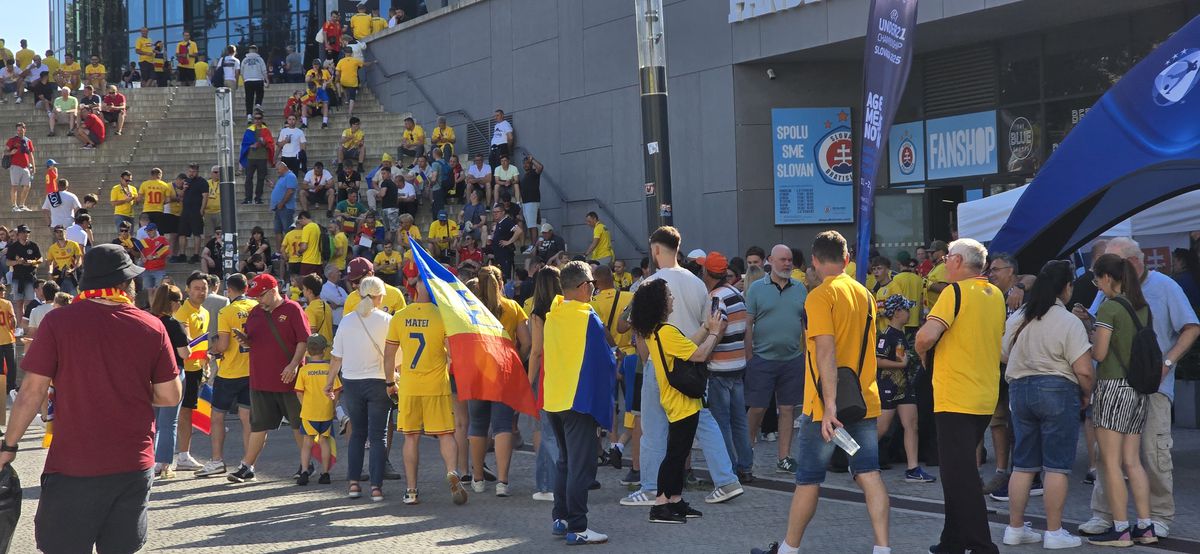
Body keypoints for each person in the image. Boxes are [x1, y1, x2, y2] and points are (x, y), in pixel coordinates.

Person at [1, 244, 180, 553]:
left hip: (75, 466)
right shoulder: (152, 325)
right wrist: (128, 387)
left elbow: (31, 392)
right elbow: (170, 394)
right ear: (125, 283)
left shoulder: (59, 323)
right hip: (133, 464)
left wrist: (10, 445)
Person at [751, 231, 889, 554]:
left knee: (809, 479)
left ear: (813, 261)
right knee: (869, 474)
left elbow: (826, 352)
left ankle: (788, 549)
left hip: (824, 407)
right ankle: (883, 549)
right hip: (863, 400)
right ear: (847, 260)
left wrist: (829, 406)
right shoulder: (864, 294)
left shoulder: (818, 297)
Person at [1077, 237, 1199, 539]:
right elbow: (1100, 322)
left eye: (1108, 266)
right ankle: (1108, 514)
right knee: (1115, 455)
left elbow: (1191, 327)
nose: (1100, 275)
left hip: (1150, 385)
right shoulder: (1112, 294)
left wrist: (1167, 363)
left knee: (1152, 452)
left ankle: (1157, 516)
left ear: (1131, 262)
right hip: (1125, 384)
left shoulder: (1165, 287)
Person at [622, 226, 742, 507]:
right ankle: (726, 479)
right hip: (693, 361)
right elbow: (707, 322)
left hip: (662, 363)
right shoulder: (697, 282)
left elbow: (636, 329)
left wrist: (647, 359)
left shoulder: (650, 283)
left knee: (654, 428)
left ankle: (652, 487)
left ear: (655, 250)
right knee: (703, 420)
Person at [915, 238, 1005, 554]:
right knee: (958, 471)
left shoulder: (954, 292)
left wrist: (921, 350)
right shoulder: (995, 295)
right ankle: (951, 541)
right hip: (984, 395)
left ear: (956, 261)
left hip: (955, 395)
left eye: (947, 258)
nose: (944, 262)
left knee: (960, 475)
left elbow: (926, 336)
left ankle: (982, 546)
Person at [997, 260, 1093, 549]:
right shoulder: (1068, 321)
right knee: (1056, 466)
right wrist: (1086, 393)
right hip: (1057, 389)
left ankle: (1014, 528)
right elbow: (1084, 369)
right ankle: (1054, 532)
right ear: (1066, 287)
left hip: (1019, 390)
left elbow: (1002, 354)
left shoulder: (1019, 316)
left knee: (1024, 464)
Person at [632, 275, 727, 524]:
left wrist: (706, 328)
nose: (672, 298)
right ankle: (661, 505)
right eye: (669, 296)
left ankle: (674, 500)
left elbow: (686, 345)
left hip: (677, 400)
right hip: (681, 401)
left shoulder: (658, 331)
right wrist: (715, 334)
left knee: (679, 451)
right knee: (675, 455)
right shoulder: (666, 332)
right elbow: (699, 354)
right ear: (660, 303)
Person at [1079, 253, 1157, 547]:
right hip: (1138, 391)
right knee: (1132, 462)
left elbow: (1099, 354)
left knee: (1109, 463)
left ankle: (1121, 529)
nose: (1096, 284)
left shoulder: (1110, 308)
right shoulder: (1142, 307)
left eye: (1096, 278)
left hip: (1113, 388)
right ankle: (1146, 527)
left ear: (1108, 278)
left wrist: (1086, 336)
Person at [538, 261, 613, 543]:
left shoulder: (554, 312)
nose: (593, 288)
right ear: (583, 287)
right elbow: (604, 360)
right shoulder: (587, 317)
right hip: (578, 399)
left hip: (554, 397)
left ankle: (561, 518)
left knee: (565, 462)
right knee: (581, 466)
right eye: (591, 283)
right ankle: (578, 527)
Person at [384, 279, 469, 505]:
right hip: (436, 385)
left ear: (414, 290)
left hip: (410, 386)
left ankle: (411, 490)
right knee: (445, 434)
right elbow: (454, 354)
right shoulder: (443, 316)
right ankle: (452, 471)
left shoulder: (400, 316)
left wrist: (389, 382)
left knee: (410, 438)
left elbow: (389, 354)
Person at [227, 274, 310, 484]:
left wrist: (293, 365)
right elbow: (253, 341)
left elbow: (304, 340)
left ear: (273, 290)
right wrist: (244, 340)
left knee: (298, 425)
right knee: (259, 425)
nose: (258, 300)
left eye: (261, 295)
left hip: (289, 380)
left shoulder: (293, 309)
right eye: (255, 296)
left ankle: (307, 465)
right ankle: (246, 466)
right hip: (261, 379)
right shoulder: (255, 312)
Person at [741, 244, 807, 474]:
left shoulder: (800, 289)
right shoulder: (757, 289)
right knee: (757, 408)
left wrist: (806, 355)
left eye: (789, 260)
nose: (787, 264)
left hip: (792, 358)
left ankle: (784, 457)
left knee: (788, 408)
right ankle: (745, 452)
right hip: (762, 358)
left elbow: (804, 325)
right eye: (782, 260)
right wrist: (749, 355)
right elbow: (748, 324)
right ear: (770, 261)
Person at [467, 266, 530, 496]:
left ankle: (478, 478)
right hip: (504, 371)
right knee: (503, 425)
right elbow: (527, 342)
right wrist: (517, 360)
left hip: (477, 372)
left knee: (477, 424)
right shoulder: (513, 307)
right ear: (501, 283)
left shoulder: (470, 309)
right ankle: (503, 482)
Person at [331, 276, 393, 501]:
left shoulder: (347, 320)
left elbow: (336, 357)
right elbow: (395, 357)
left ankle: (354, 484)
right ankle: (376, 487)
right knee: (378, 437)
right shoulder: (387, 320)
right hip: (379, 382)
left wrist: (330, 383)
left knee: (357, 433)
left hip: (352, 382)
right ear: (379, 296)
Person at [698, 252, 756, 485]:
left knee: (721, 422)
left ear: (707, 273)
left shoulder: (716, 297)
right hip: (737, 366)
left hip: (719, 368)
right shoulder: (736, 293)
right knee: (739, 420)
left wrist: (705, 351)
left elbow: (718, 326)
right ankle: (746, 466)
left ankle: (728, 469)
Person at [197, 273, 257, 477]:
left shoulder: (227, 311)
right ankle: (248, 463)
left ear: (229, 290)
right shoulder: (255, 307)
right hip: (251, 370)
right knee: (246, 417)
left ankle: (216, 460)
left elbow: (223, 344)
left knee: (217, 416)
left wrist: (212, 349)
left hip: (230, 371)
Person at [874, 294, 936, 482]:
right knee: (881, 428)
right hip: (888, 387)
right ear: (898, 312)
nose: (910, 313)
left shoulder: (901, 334)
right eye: (907, 309)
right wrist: (900, 365)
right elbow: (876, 360)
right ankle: (858, 459)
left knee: (912, 425)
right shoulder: (886, 335)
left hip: (904, 388)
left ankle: (913, 468)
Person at [149, 284, 190, 478]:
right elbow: (184, 353)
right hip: (172, 374)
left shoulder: (148, 318)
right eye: (179, 301)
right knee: (169, 423)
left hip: (150, 374)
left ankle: (150, 461)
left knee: (153, 421)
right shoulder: (173, 324)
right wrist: (188, 338)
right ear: (172, 303)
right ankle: (164, 463)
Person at [294, 334, 339, 486]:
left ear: (307, 350)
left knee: (307, 442)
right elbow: (337, 389)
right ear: (325, 350)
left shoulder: (304, 370)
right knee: (324, 441)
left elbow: (299, 392)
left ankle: (305, 471)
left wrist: (304, 404)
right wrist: (333, 405)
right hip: (325, 410)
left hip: (308, 411)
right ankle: (325, 473)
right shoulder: (329, 369)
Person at [179, 164, 210, 264]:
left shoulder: (202, 182)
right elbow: (180, 196)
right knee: (182, 233)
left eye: (193, 172)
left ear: (197, 172)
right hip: (185, 211)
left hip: (196, 211)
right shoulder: (186, 181)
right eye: (190, 171)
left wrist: (202, 209)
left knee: (197, 233)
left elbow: (205, 196)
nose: (191, 173)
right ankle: (182, 254)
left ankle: (196, 255)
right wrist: (184, 188)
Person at [243, 111, 274, 205]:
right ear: (253, 120)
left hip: (262, 157)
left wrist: (263, 142)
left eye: (259, 118)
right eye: (256, 118)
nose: (257, 120)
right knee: (248, 178)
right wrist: (251, 145)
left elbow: (270, 143)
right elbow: (244, 143)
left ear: (262, 119)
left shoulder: (266, 130)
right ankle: (248, 198)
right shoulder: (249, 130)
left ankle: (258, 198)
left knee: (261, 179)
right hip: (251, 157)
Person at [6, 122, 35, 212]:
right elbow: (5, 152)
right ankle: (14, 206)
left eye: (21, 130)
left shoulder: (28, 141)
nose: (19, 132)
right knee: (14, 186)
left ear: (24, 129)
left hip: (25, 166)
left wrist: (33, 166)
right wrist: (11, 153)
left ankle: (22, 205)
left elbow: (31, 155)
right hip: (15, 166)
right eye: (18, 130)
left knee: (27, 186)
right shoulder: (12, 140)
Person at [488, 203, 522, 280]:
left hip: (505, 256)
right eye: (494, 212)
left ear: (503, 212)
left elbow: (519, 231)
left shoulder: (507, 221)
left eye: (497, 212)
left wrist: (508, 242)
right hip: (498, 256)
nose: (495, 214)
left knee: (506, 278)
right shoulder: (498, 224)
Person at [271, 162, 299, 247]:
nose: (277, 171)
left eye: (278, 169)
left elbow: (290, 191)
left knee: (287, 230)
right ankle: (279, 252)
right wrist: (273, 186)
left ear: (284, 167)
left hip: (286, 208)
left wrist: (282, 203)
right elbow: (282, 189)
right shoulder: (282, 177)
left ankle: (290, 250)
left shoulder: (290, 176)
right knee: (277, 230)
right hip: (278, 208)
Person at [241, 45, 269, 120]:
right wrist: (267, 80)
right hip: (258, 79)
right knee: (260, 93)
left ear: (249, 51)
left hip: (248, 80)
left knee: (249, 98)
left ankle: (249, 115)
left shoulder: (244, 60)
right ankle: (258, 104)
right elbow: (264, 70)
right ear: (256, 50)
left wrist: (244, 79)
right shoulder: (260, 59)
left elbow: (241, 72)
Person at [139, 223, 169, 290]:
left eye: (151, 230)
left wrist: (154, 257)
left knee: (159, 290)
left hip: (159, 270)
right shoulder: (144, 241)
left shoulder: (162, 239)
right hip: (147, 270)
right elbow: (142, 253)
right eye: (147, 231)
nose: (149, 232)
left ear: (155, 230)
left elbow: (166, 252)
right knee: (147, 291)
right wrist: (142, 258)